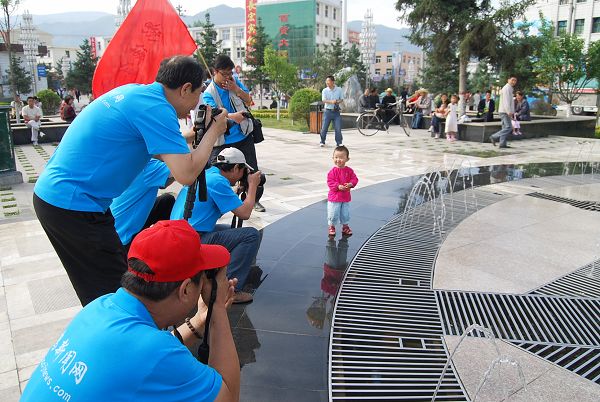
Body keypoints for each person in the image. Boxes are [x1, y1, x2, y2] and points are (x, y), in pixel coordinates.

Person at [33, 55, 228, 306]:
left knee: (104, 285)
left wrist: (194, 135)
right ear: (185, 88)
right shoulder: (158, 109)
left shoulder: (141, 96)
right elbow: (186, 174)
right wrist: (214, 131)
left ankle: (113, 333)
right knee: (116, 295)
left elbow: (162, 148)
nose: (195, 105)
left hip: (63, 198)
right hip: (74, 204)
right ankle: (116, 339)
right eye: (198, 93)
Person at [20, 220, 241, 402]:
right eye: (202, 279)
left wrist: (200, 319)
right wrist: (217, 310)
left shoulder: (101, 306)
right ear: (184, 290)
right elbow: (228, 396)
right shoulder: (155, 353)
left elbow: (145, 357)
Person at [171, 147, 261, 304]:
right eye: (243, 170)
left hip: (179, 235)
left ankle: (212, 273)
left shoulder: (208, 175)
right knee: (251, 235)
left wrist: (235, 191)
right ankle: (228, 290)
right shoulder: (218, 182)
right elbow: (245, 213)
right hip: (191, 240)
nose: (243, 176)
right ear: (235, 168)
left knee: (230, 231)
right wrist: (253, 186)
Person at [204, 54, 267, 213]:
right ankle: (223, 200)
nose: (228, 77)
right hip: (223, 141)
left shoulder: (234, 82)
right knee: (215, 171)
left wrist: (236, 89)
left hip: (243, 136)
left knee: (252, 170)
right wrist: (233, 117)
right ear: (214, 72)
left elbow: (248, 100)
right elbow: (215, 115)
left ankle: (254, 200)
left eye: (230, 73)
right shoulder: (209, 93)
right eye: (224, 73)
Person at [110, 159, 175, 251]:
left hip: (114, 225)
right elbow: (184, 171)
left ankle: (162, 238)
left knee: (166, 201)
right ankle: (163, 248)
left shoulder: (128, 162)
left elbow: (164, 183)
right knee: (167, 201)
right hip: (124, 237)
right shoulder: (148, 167)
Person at [327, 145, 358, 237]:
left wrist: (351, 184)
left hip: (345, 198)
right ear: (333, 158)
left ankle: (345, 226)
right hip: (334, 198)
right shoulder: (332, 172)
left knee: (345, 213)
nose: (338, 160)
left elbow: (354, 179)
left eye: (341, 157)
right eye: (336, 157)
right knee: (333, 213)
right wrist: (338, 186)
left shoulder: (349, 171)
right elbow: (330, 182)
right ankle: (332, 226)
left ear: (347, 159)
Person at [490, 76, 517, 148]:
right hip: (505, 111)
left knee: (504, 127)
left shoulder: (509, 88)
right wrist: (509, 111)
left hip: (504, 111)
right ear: (508, 80)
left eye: (515, 81)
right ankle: (494, 136)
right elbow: (506, 101)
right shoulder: (507, 88)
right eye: (512, 80)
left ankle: (502, 144)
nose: (514, 82)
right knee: (509, 127)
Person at [319, 75, 344, 147]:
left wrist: (337, 101)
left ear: (333, 82)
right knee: (324, 128)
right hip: (327, 112)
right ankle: (322, 141)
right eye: (326, 81)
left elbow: (341, 99)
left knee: (338, 128)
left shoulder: (339, 89)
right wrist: (331, 102)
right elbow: (323, 100)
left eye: (328, 81)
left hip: (336, 112)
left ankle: (339, 142)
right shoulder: (325, 90)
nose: (327, 82)